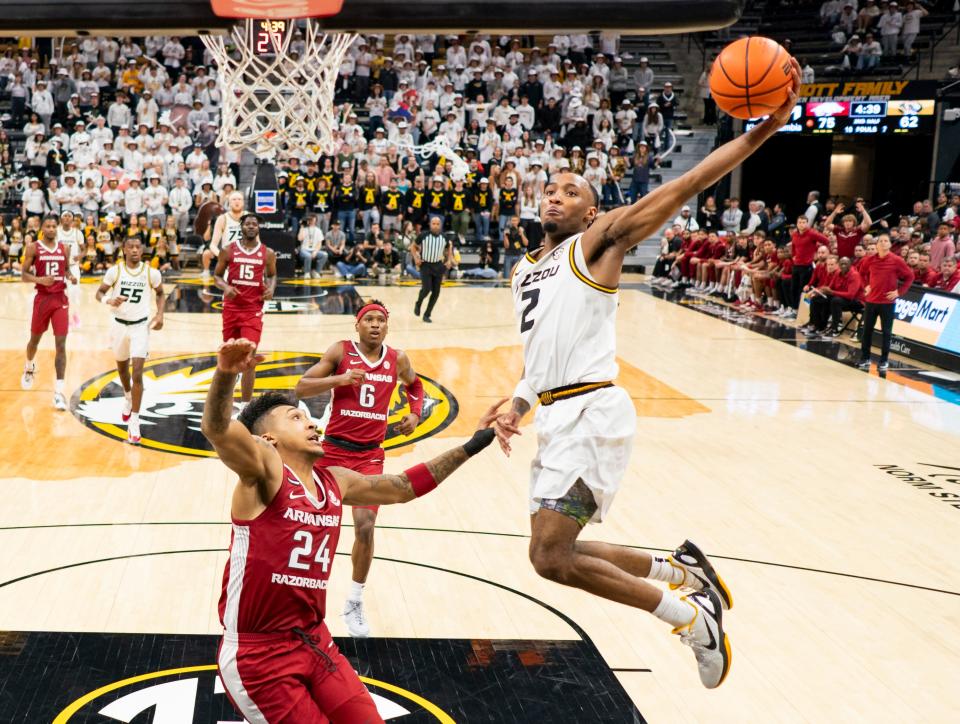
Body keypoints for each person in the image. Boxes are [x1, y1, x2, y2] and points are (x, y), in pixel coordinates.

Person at [493, 58, 801, 691]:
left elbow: (681, 187)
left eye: (572, 190)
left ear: (591, 214)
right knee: (558, 557)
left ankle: (690, 617)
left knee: (549, 557)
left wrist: (758, 134)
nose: (556, 193)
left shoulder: (597, 243)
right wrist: (518, 404)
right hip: (556, 415)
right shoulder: (526, 268)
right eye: (550, 187)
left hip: (591, 414)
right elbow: (541, 355)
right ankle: (678, 568)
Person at [202, 337, 503, 724]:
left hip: (314, 639)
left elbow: (402, 487)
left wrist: (472, 445)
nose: (311, 422)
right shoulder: (264, 471)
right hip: (259, 655)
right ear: (268, 439)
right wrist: (226, 375)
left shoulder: (336, 480)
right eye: (295, 418)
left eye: (308, 417)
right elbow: (217, 428)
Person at [295, 301, 423, 638]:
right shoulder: (340, 351)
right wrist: (340, 379)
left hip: (369, 456)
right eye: (369, 319)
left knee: (365, 527)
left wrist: (415, 412)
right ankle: (300, 600)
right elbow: (301, 387)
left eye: (381, 319)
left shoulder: (398, 359)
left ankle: (354, 601)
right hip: (333, 452)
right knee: (314, 525)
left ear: (387, 325)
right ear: (357, 325)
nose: (376, 325)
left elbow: (416, 385)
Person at [95, 236, 165, 444]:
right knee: (122, 368)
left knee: (137, 373)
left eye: (138, 247)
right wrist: (109, 300)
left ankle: (134, 420)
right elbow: (99, 293)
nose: (134, 250)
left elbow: (161, 294)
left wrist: (160, 315)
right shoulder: (114, 271)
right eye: (131, 247)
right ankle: (127, 397)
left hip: (140, 326)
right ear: (124, 249)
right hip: (118, 324)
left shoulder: (151, 273)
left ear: (142, 249)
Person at [214, 214, 277, 409]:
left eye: (254, 224)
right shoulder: (227, 250)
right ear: (241, 227)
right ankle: (226, 402)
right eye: (247, 224)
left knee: (249, 358)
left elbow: (273, 275)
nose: (251, 227)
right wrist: (225, 287)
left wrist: (271, 288)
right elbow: (217, 276)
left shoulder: (268, 253)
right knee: (230, 356)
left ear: (258, 228)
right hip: (231, 310)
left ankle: (246, 407)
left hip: (253, 310)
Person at [21, 215, 77, 409]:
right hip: (42, 299)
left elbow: (67, 269)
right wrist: (40, 280)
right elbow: (23, 275)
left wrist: (70, 276)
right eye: (48, 226)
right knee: (34, 341)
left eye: (54, 226)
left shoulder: (65, 248)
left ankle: (59, 392)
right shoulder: (33, 247)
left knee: (61, 344)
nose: (52, 229)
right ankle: (29, 366)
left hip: (60, 299)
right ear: (42, 228)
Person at [857, 233, 915, 371]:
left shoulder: (896, 260)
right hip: (871, 301)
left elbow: (909, 277)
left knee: (886, 333)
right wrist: (866, 285)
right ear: (877, 245)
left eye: (886, 241)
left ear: (890, 244)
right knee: (867, 331)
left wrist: (899, 292)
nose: (883, 243)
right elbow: (861, 273)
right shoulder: (869, 260)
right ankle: (865, 358)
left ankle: (884, 360)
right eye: (880, 241)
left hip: (887, 303)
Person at [411, 216, 451, 324]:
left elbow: (449, 247)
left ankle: (427, 314)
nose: (435, 226)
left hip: (438, 265)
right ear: (430, 224)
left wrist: (449, 260)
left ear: (440, 225)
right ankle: (418, 303)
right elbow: (413, 247)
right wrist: (416, 258)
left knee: (436, 292)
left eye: (438, 224)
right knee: (426, 289)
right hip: (426, 265)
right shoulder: (423, 235)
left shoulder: (444, 237)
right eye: (433, 223)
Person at [204, 190, 245, 282]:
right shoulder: (222, 218)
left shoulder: (250, 217)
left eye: (239, 199)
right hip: (230, 261)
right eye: (234, 199)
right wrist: (222, 257)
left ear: (243, 202)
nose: (237, 201)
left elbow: (257, 243)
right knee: (230, 291)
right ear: (229, 203)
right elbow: (213, 245)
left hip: (247, 261)